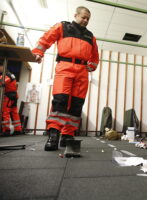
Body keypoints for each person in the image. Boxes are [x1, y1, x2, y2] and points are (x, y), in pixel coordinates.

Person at [32, 6, 99, 151]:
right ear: (76, 15)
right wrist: (38, 52)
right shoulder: (62, 27)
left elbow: (95, 56)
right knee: (60, 101)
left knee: (76, 104)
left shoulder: (90, 36)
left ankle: (67, 135)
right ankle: (54, 135)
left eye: (88, 19)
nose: (86, 20)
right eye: (83, 17)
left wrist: (92, 66)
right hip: (65, 67)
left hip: (82, 72)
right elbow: (46, 38)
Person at [0, 59, 23, 136]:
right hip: (13, 96)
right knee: (14, 113)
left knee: (5, 113)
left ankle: (6, 130)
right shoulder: (10, 74)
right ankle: (18, 129)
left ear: (3, 66)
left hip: (9, 97)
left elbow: (2, 82)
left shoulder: (6, 75)